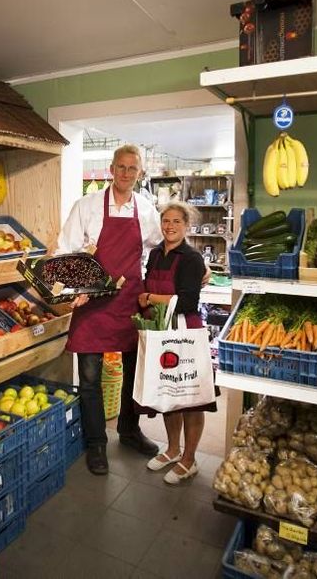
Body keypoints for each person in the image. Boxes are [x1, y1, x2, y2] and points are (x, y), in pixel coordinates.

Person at [57, 144, 163, 475]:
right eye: (121, 167)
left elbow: (159, 250)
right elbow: (65, 252)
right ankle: (96, 444)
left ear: (139, 173)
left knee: (134, 374)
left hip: (131, 300)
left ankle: (129, 432)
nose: (126, 174)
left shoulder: (146, 211)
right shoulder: (86, 206)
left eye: (133, 169)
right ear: (111, 169)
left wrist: (191, 266)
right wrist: (77, 290)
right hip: (93, 303)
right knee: (90, 379)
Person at [136, 201, 216, 484]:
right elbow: (146, 285)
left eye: (176, 222)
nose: (169, 226)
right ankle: (172, 449)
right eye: (166, 221)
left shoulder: (192, 258)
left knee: (191, 397)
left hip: (185, 332)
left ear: (187, 226)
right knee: (170, 393)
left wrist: (150, 299)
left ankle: (190, 459)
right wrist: (145, 299)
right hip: (161, 331)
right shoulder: (157, 254)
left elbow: (188, 301)